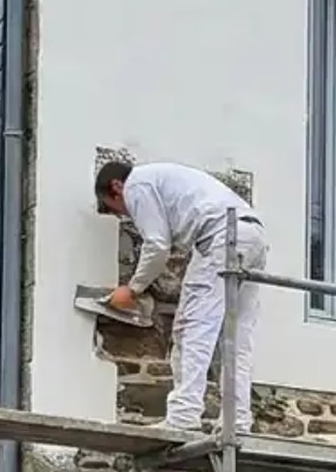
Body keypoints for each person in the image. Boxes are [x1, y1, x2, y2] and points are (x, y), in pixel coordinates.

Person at [94, 160, 268, 434]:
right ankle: (237, 421)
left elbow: (157, 245)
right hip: (252, 235)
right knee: (235, 339)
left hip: (221, 236)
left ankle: (184, 414)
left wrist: (132, 288)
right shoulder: (162, 179)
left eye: (116, 209)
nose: (125, 215)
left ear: (117, 187)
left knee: (191, 328)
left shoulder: (137, 185)